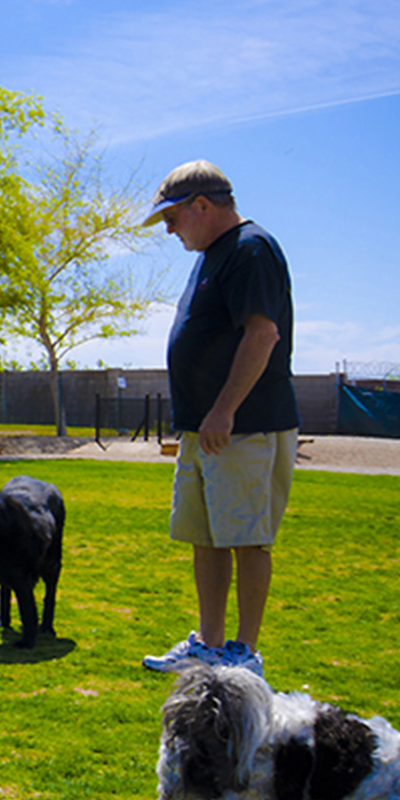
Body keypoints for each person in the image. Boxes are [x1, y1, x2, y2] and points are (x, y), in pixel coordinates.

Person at [140, 161, 296, 680]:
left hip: (244, 425)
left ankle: (244, 651)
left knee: (247, 536)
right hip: (204, 429)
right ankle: (210, 644)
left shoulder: (251, 249)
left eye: (172, 216)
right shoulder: (213, 255)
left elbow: (262, 335)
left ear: (202, 206)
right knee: (205, 536)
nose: (168, 228)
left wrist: (225, 409)